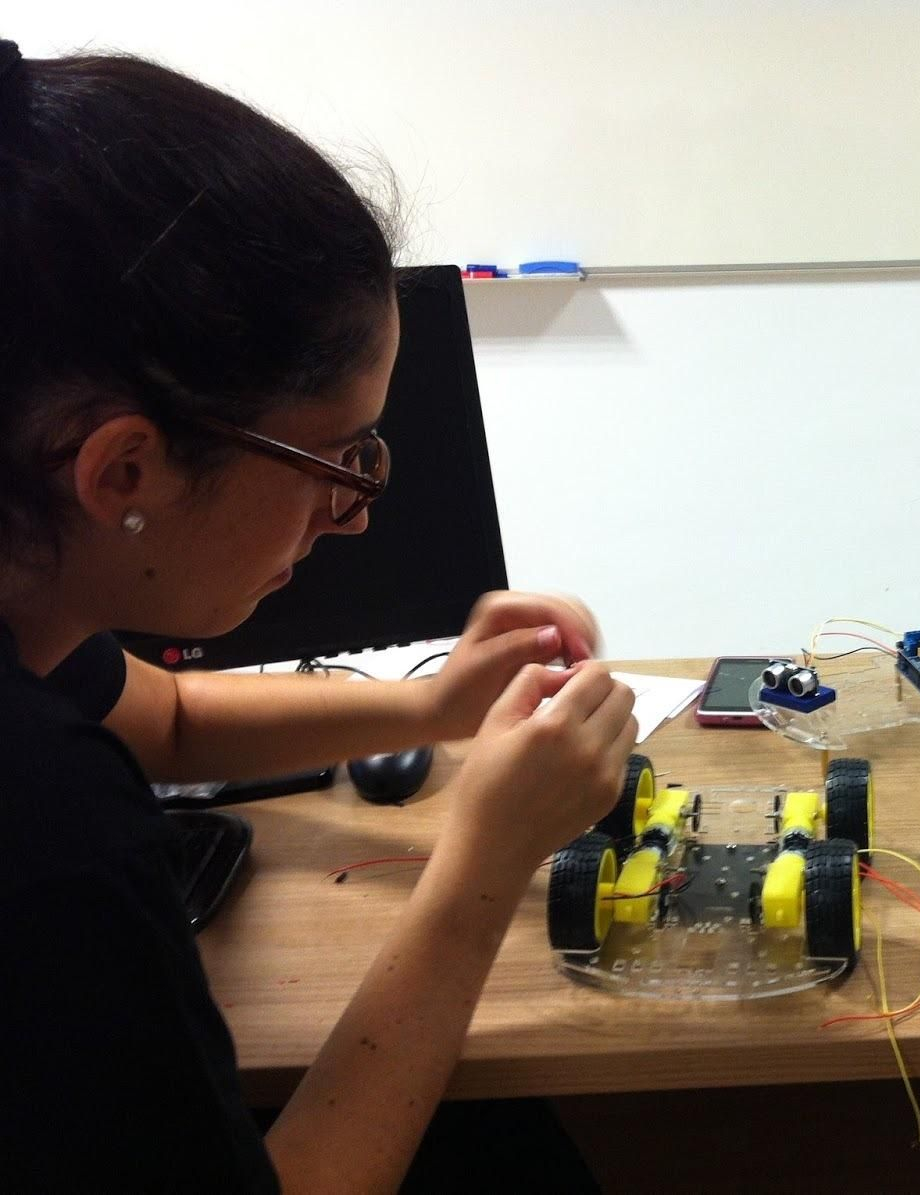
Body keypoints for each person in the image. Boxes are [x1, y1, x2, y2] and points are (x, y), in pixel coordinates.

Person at [0, 42, 637, 1191]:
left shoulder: (28, 616)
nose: (350, 515)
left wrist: (434, 704)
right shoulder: (46, 824)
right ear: (124, 472)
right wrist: (485, 860)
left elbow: (178, 720)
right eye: (335, 459)